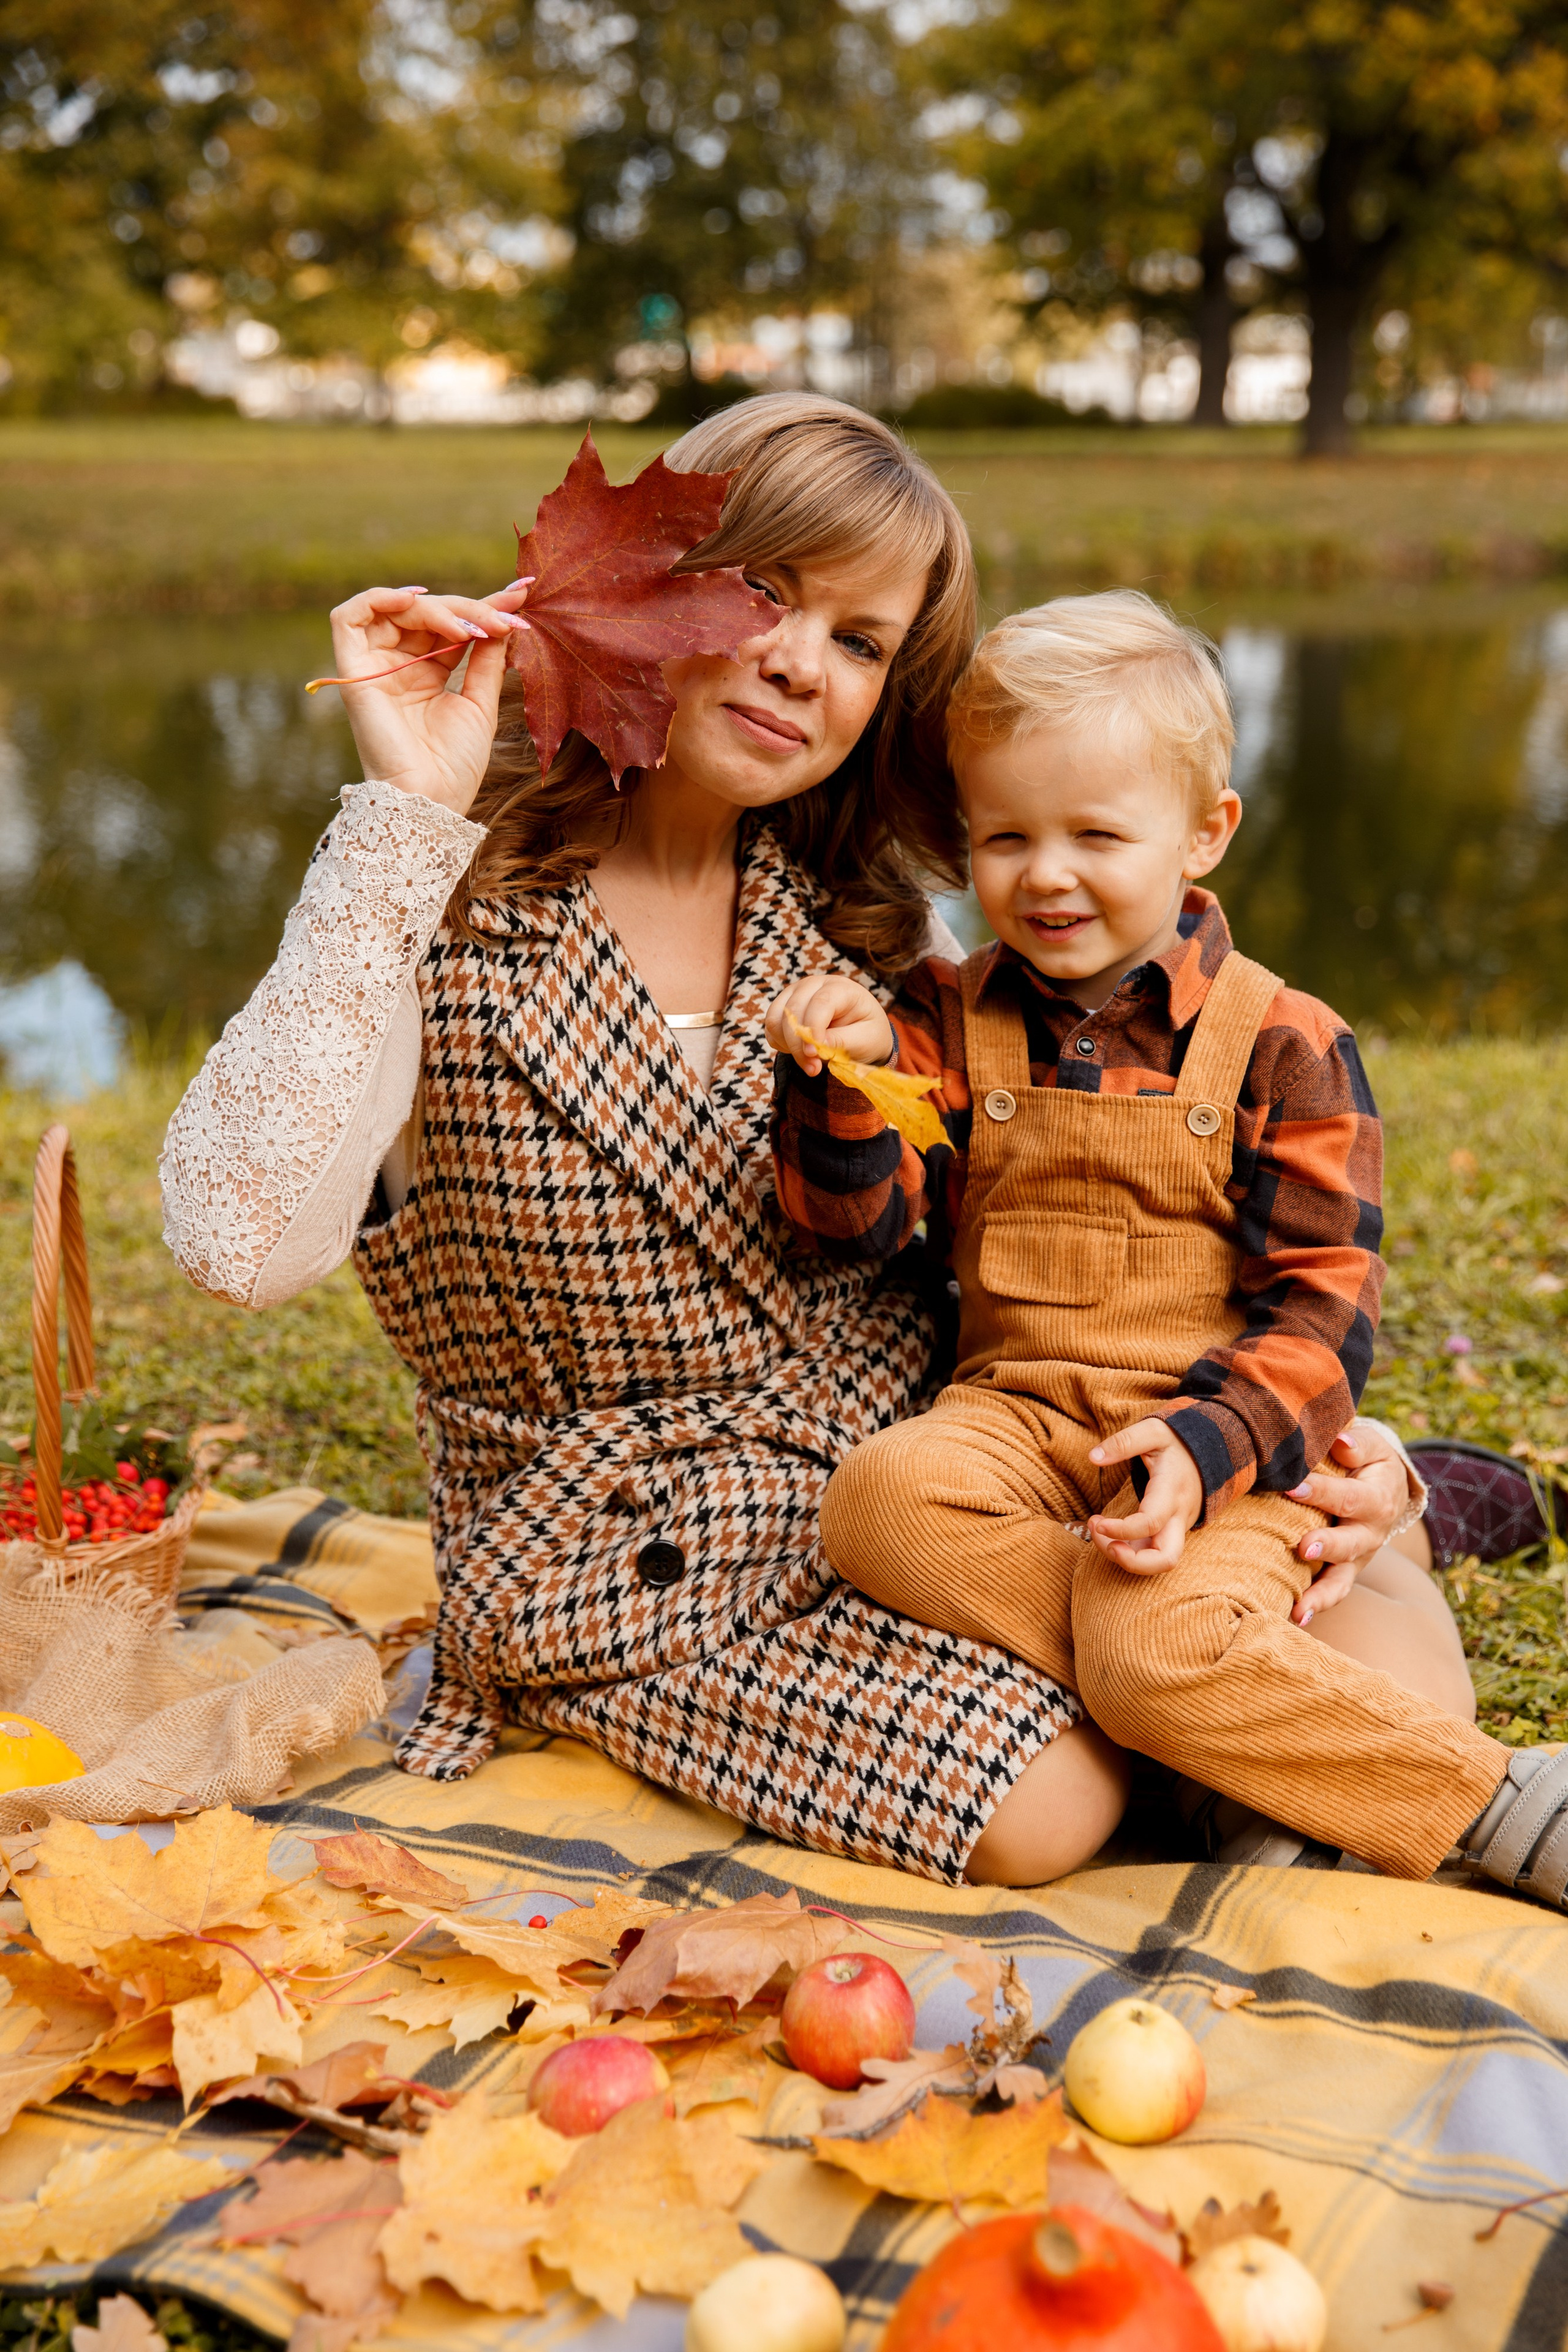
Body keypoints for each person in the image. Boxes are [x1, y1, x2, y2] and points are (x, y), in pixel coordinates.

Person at [160, 398, 1417, 1890]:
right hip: (625, 1565)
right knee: (1049, 1806)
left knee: (1393, 1683)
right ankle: (1204, 1680)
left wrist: (1303, 1448)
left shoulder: (879, 925)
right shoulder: (437, 904)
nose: (794, 662)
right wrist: (401, 814)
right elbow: (233, 1240)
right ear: (638, 582)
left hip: (936, 1477)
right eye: (759, 588)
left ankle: (1370, 1530)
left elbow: (1035, 1241)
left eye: (861, 640)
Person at [767, 590, 1568, 1908]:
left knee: (1148, 1647)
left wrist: (1205, 1452)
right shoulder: (944, 1017)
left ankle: (1491, 1802)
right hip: (1014, 1427)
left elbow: (1322, 1318)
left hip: (1217, 1449)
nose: (1046, 874)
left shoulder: (1282, 1042)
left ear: (1205, 833)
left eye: (1096, 833)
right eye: (1005, 835)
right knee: (875, 1503)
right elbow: (846, 1227)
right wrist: (843, 1086)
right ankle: (1222, 1724)